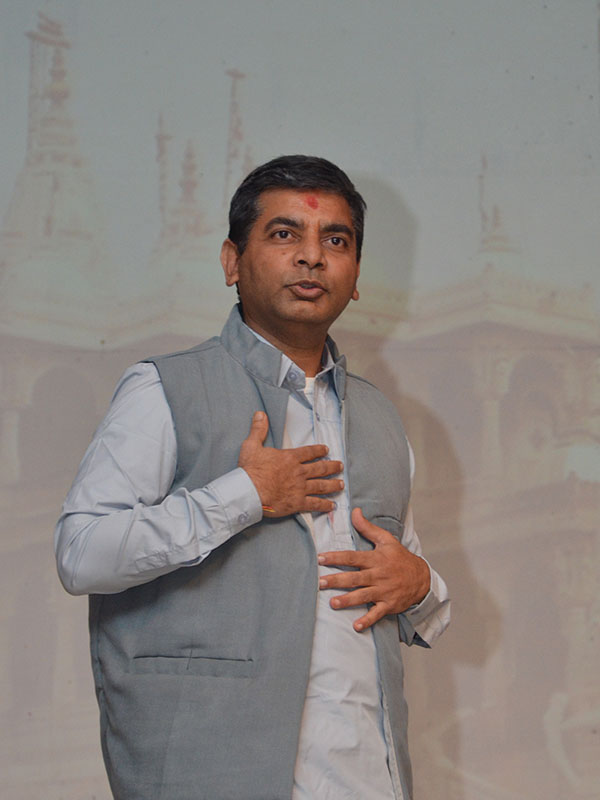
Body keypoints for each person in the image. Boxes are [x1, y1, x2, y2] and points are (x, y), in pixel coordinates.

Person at [55, 155, 450, 800]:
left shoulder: (380, 419)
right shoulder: (164, 389)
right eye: (284, 233)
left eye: (336, 241)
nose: (312, 256)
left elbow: (406, 581)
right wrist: (243, 495)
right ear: (232, 262)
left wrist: (421, 585)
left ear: (355, 278)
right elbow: (80, 553)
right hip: (209, 773)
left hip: (365, 777)